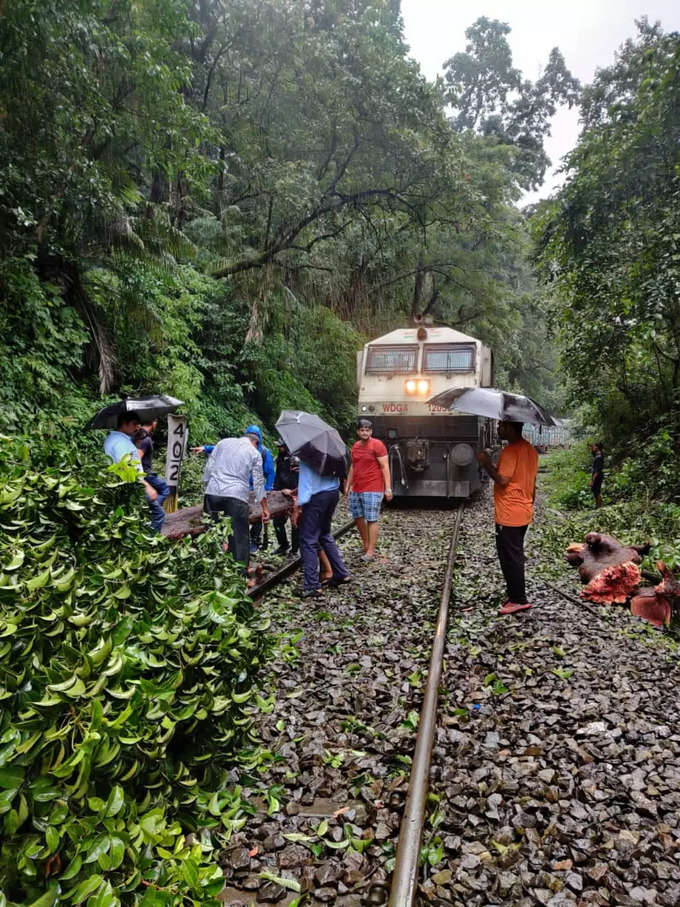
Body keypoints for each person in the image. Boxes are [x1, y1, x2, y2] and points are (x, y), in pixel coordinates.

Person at [477, 421, 539, 615]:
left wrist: (486, 463)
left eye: (501, 426)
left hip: (509, 513)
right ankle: (514, 594)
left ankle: (518, 599)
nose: (497, 429)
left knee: (510, 557)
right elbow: (531, 481)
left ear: (511, 428)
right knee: (514, 554)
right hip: (523, 509)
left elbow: (503, 480)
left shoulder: (511, 450)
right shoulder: (530, 449)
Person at [203, 435, 270, 574]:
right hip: (236, 496)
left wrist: (207, 488)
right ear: (255, 443)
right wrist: (264, 508)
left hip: (212, 493)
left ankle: (210, 570)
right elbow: (258, 483)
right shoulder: (254, 453)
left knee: (212, 533)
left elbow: (209, 468)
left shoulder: (222, 443)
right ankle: (238, 575)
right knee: (239, 537)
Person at [104, 412, 165, 532]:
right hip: (131, 485)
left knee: (131, 517)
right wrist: (147, 486)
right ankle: (150, 545)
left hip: (120, 485)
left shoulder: (113, 438)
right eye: (134, 424)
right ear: (124, 424)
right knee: (158, 515)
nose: (137, 427)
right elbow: (127, 468)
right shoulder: (121, 443)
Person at [297, 458, 350, 599]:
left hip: (316, 498)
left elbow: (306, 484)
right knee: (324, 534)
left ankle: (311, 586)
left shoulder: (307, 456)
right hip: (332, 493)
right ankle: (341, 573)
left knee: (308, 539)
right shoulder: (331, 453)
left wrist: (299, 506)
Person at [346, 418, 392, 560]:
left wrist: (388, 488)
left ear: (371, 431)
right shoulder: (355, 446)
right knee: (358, 517)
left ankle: (370, 551)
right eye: (362, 430)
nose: (365, 433)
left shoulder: (377, 445)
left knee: (371, 519)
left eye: (367, 430)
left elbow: (385, 467)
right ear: (358, 431)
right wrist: (348, 484)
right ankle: (365, 544)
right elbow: (353, 466)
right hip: (358, 487)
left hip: (373, 486)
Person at [243, 425, 275, 553]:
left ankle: (255, 541)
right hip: (243, 488)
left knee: (257, 515)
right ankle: (244, 541)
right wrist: (207, 449)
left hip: (256, 489)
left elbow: (270, 472)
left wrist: (268, 488)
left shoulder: (263, 452)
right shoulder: (242, 449)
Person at [135, 419, 170, 528]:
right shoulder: (146, 439)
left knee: (162, 488)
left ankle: (152, 508)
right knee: (165, 489)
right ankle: (151, 509)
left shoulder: (139, 435)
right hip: (145, 474)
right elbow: (137, 458)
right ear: (153, 422)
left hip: (145, 473)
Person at [272, 439, 299, 556]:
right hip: (281, 493)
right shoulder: (279, 458)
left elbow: (298, 477)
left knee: (295, 523)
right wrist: (275, 489)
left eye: (281, 447)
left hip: (293, 494)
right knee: (277, 522)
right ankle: (283, 545)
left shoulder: (295, 459)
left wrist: (293, 492)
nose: (279, 449)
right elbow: (278, 475)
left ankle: (294, 549)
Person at [590, 442, 604, 508]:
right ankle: (597, 506)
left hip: (597, 476)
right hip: (596, 476)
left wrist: (592, 481)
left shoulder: (599, 457)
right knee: (595, 492)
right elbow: (592, 452)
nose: (592, 448)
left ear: (597, 447)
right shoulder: (597, 455)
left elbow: (597, 471)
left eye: (594, 446)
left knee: (597, 492)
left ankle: (599, 507)